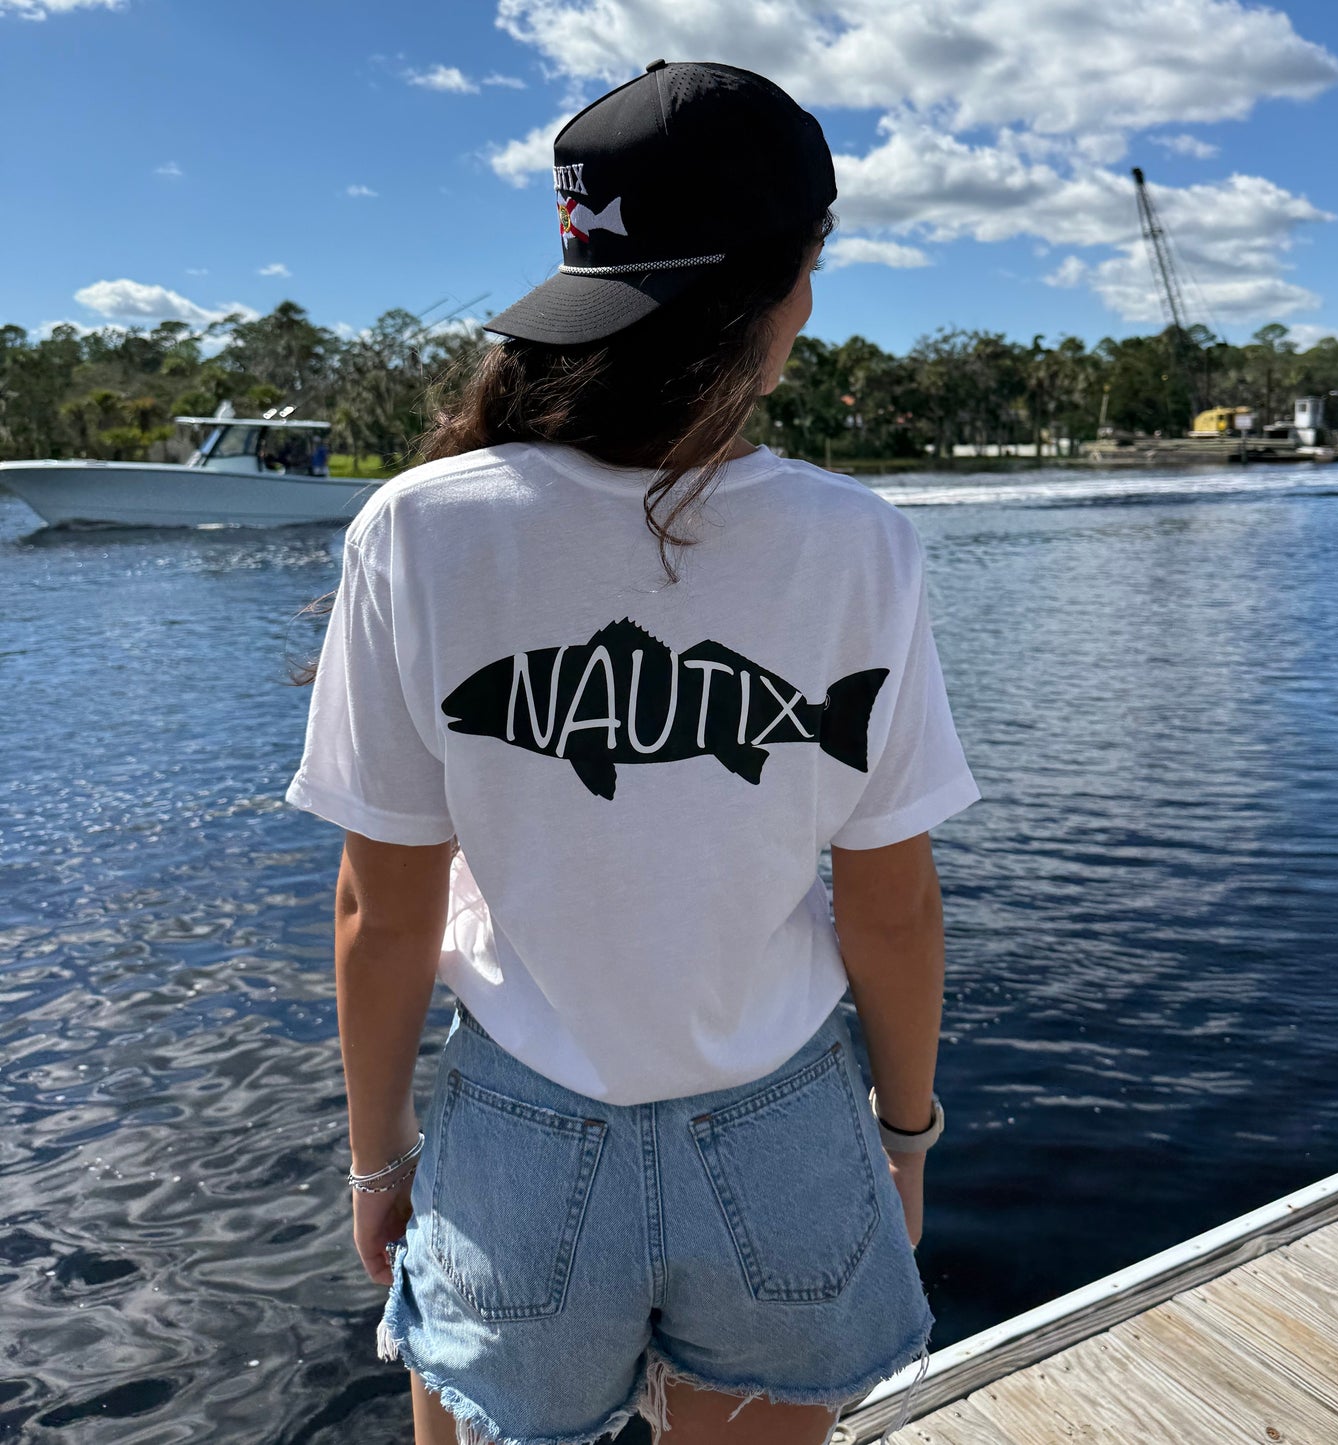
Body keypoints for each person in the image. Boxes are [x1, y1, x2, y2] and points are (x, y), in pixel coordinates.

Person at [285, 59, 980, 1445]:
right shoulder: (860, 541)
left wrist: (377, 1158)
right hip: (782, 1132)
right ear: (791, 286)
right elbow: (890, 907)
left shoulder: (415, 528)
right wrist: (902, 1137)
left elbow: (382, 910)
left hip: (521, 1140)